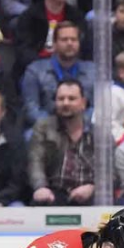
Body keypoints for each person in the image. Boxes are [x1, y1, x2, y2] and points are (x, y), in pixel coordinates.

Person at [28, 77, 95, 205]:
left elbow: (111, 171)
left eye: (71, 99)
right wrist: (40, 187)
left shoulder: (98, 132)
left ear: (83, 103)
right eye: (61, 99)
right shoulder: (43, 127)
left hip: (90, 193)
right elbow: (35, 161)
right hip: (54, 193)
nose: (65, 103)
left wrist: (93, 187)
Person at [11, 0, 87, 80]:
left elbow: (84, 47)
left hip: (70, 67)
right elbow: (23, 50)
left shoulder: (76, 17)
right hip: (36, 69)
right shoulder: (29, 16)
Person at [21, 21, 94, 127]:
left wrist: (77, 123)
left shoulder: (93, 71)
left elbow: (99, 108)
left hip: (84, 127)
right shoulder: (35, 70)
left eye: (73, 40)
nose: (69, 43)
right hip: (46, 128)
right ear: (54, 44)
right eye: (64, 40)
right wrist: (55, 126)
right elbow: (31, 108)